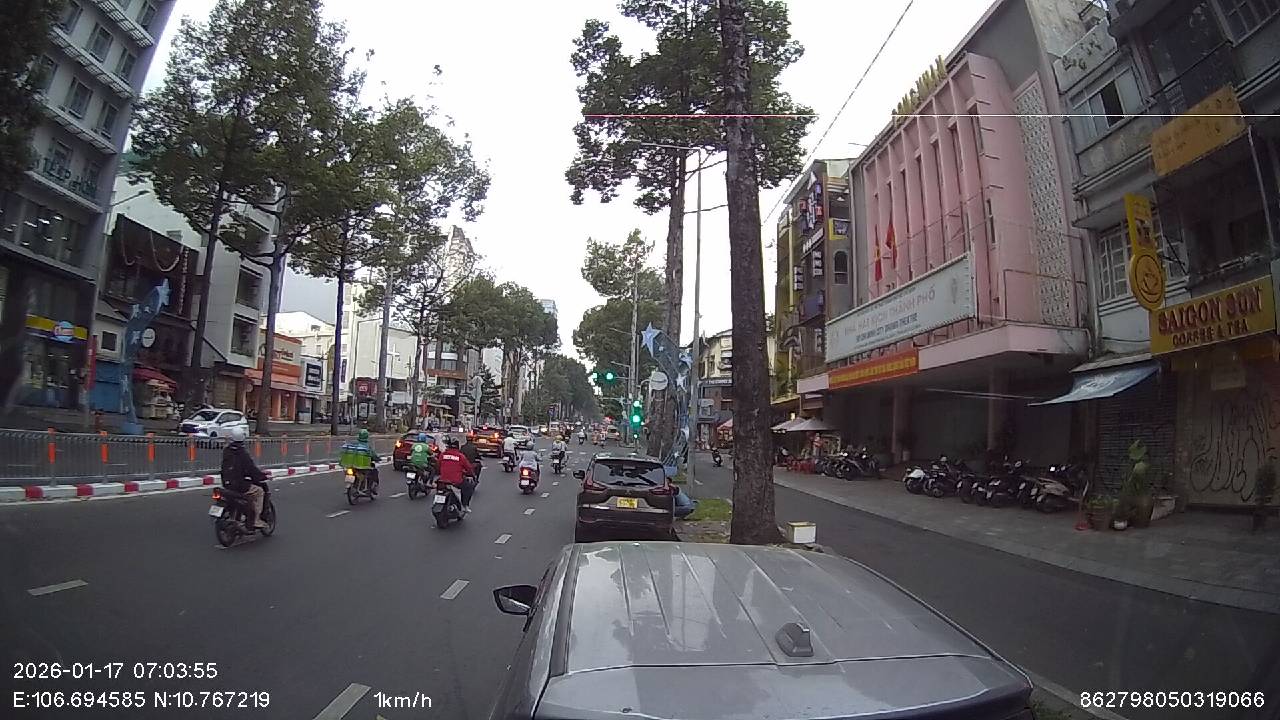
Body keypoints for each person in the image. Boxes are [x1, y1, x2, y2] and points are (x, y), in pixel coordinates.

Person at [219, 425, 269, 530]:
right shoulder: (242, 453)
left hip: (226, 483)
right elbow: (251, 469)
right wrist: (262, 476)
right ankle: (256, 520)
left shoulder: (227, 451)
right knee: (259, 491)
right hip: (239, 484)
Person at [437, 436, 476, 513]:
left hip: (443, 479)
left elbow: (438, 465)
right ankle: (465, 505)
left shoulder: (443, 454)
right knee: (469, 486)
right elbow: (468, 468)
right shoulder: (460, 456)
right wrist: (472, 475)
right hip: (456, 481)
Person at [348, 428, 381, 495]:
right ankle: (369, 488)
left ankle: (356, 487)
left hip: (353, 465)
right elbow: (373, 455)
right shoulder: (367, 447)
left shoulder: (354, 444)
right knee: (373, 472)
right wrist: (377, 458)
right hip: (364, 467)